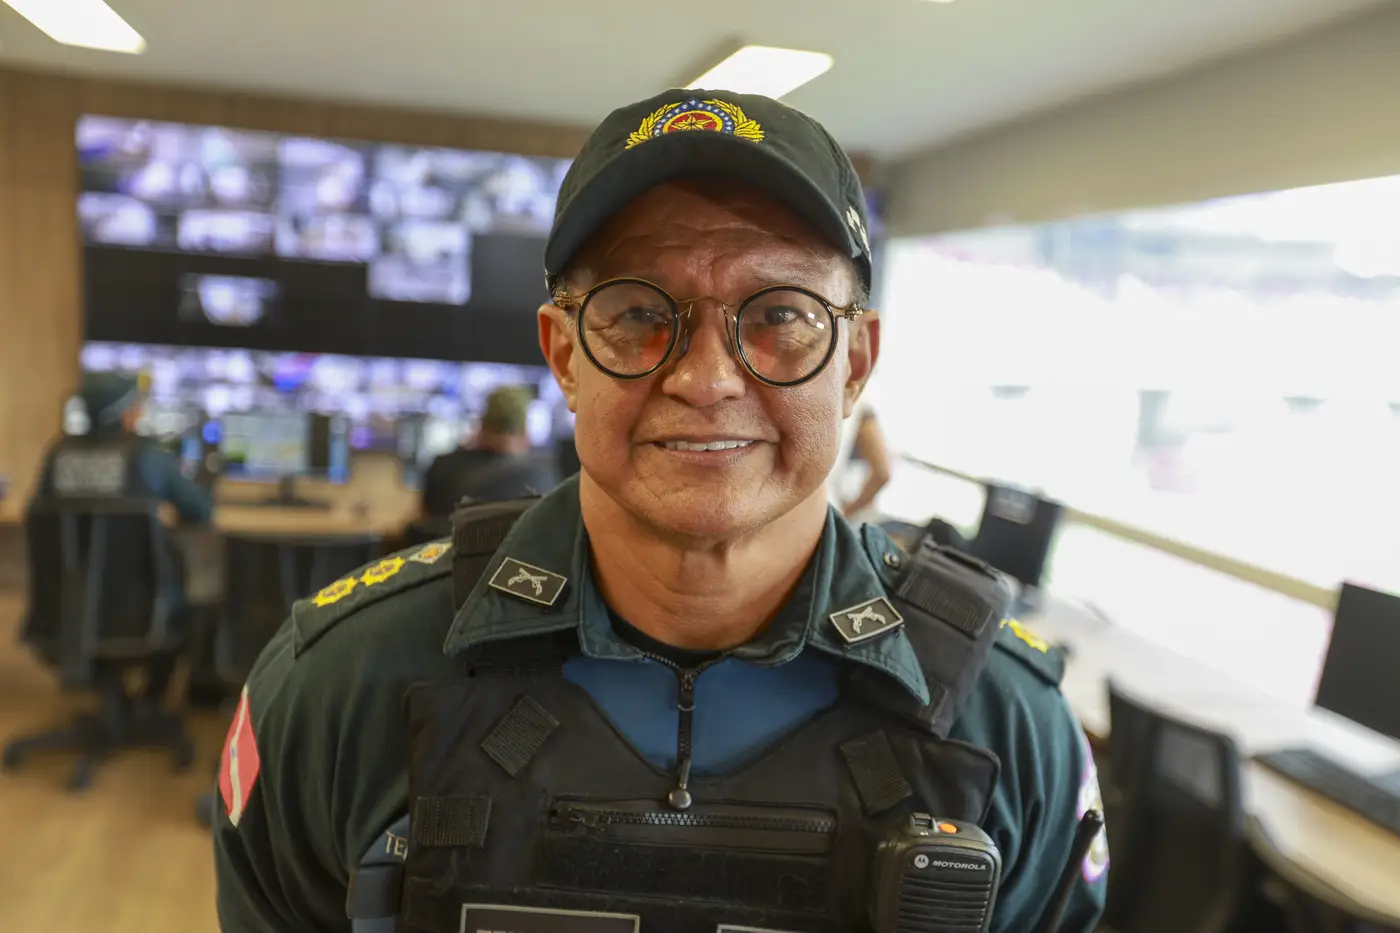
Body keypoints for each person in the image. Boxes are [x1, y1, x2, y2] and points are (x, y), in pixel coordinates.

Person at [213, 89, 1108, 933]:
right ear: (565, 356)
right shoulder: (339, 689)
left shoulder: (1008, 728)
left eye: (781, 313)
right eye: (638, 311)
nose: (707, 379)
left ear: (856, 365)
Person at [419, 385, 559, 519]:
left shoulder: (441, 468)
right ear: (525, 432)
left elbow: (423, 519)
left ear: (481, 424)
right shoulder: (539, 480)